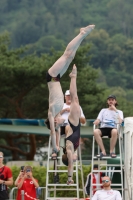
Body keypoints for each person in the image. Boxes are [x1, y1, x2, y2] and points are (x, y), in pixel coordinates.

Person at [45, 24, 95, 159]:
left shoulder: (51, 113)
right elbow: (56, 133)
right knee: (70, 56)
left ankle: (82, 34)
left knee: (67, 55)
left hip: (52, 75)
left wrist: (55, 150)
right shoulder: (58, 113)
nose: (63, 122)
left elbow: (53, 132)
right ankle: (82, 35)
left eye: (59, 122)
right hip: (58, 78)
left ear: (54, 122)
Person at [61, 64, 82, 185]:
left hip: (73, 123)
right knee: (75, 99)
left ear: (67, 157)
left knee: (74, 98)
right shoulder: (73, 147)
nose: (73, 160)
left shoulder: (69, 149)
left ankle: (73, 77)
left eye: (71, 160)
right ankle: (73, 77)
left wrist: (69, 178)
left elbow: (70, 165)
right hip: (75, 123)